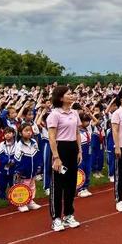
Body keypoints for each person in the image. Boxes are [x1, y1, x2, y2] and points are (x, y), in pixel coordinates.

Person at [47, 86, 82, 232]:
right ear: (61, 97)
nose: (71, 95)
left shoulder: (74, 113)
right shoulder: (54, 114)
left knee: (71, 184)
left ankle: (68, 214)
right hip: (60, 149)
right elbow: (52, 136)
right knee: (58, 184)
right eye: (68, 93)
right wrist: (56, 157)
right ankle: (56, 218)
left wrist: (79, 150)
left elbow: (77, 132)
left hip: (72, 148)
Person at [13, 122, 42, 212]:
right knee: (23, 186)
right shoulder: (19, 145)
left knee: (32, 185)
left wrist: (38, 166)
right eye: (26, 131)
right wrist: (18, 171)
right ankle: (21, 203)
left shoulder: (33, 142)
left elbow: (37, 154)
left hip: (32, 170)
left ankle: (30, 201)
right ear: (21, 133)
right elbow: (17, 159)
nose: (29, 132)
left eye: (30, 130)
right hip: (23, 171)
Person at [0, 127, 16, 200]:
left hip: (14, 168)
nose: (7, 135)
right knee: (1, 184)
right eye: (5, 133)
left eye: (9, 133)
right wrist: (9, 161)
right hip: (3, 168)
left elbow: (18, 155)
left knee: (13, 183)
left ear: (13, 134)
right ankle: (1, 196)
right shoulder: (2, 144)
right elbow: (0, 155)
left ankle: (15, 197)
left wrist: (14, 160)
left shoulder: (17, 144)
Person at [77, 113, 93, 198]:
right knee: (80, 169)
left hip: (88, 152)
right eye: (86, 121)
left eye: (88, 121)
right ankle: (80, 188)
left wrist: (89, 113)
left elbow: (95, 122)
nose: (88, 123)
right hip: (82, 151)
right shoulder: (77, 131)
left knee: (87, 169)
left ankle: (85, 186)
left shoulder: (88, 129)